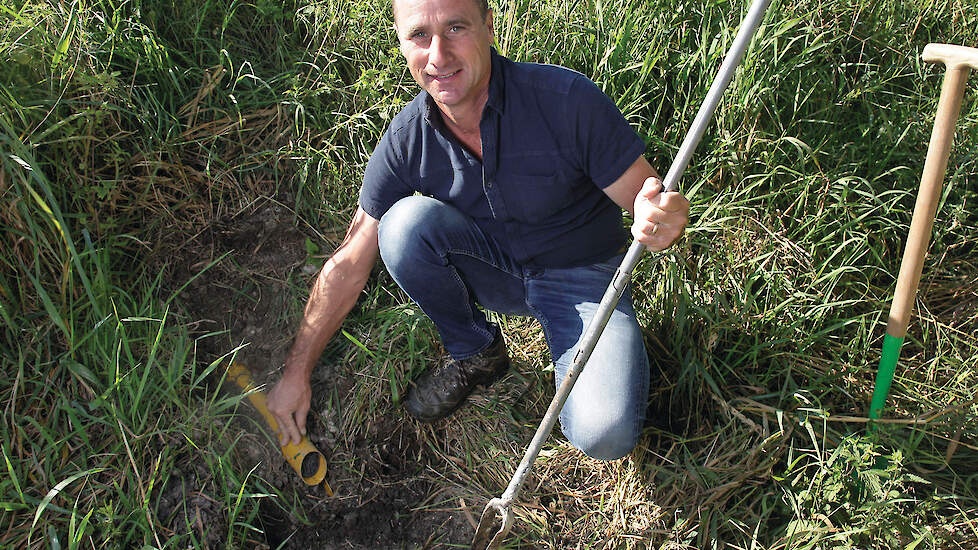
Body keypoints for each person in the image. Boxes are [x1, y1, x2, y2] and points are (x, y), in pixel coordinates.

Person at [267, 0, 689, 460]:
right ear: (401, 44)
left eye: (455, 28)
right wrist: (296, 372)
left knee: (603, 432)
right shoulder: (408, 138)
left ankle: (601, 345)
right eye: (419, 36)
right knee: (402, 227)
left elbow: (646, 198)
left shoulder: (564, 100)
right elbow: (350, 261)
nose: (438, 55)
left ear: (489, 26)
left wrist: (659, 216)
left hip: (582, 278)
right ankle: (476, 351)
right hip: (497, 271)